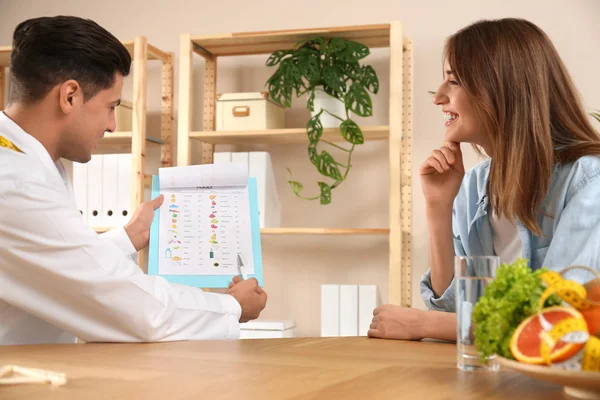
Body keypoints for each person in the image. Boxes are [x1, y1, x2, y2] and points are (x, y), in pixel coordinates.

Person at [0, 16, 267, 345]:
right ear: (69, 96)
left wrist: (127, 237)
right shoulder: (15, 183)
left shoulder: (24, 162)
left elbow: (58, 263)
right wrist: (232, 307)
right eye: (111, 107)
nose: (112, 125)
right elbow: (134, 309)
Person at [368, 17, 600, 341]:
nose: (437, 98)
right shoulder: (475, 184)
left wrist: (422, 325)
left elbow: (563, 324)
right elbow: (455, 315)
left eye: (455, 81)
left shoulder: (588, 182)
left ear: (502, 86)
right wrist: (438, 206)